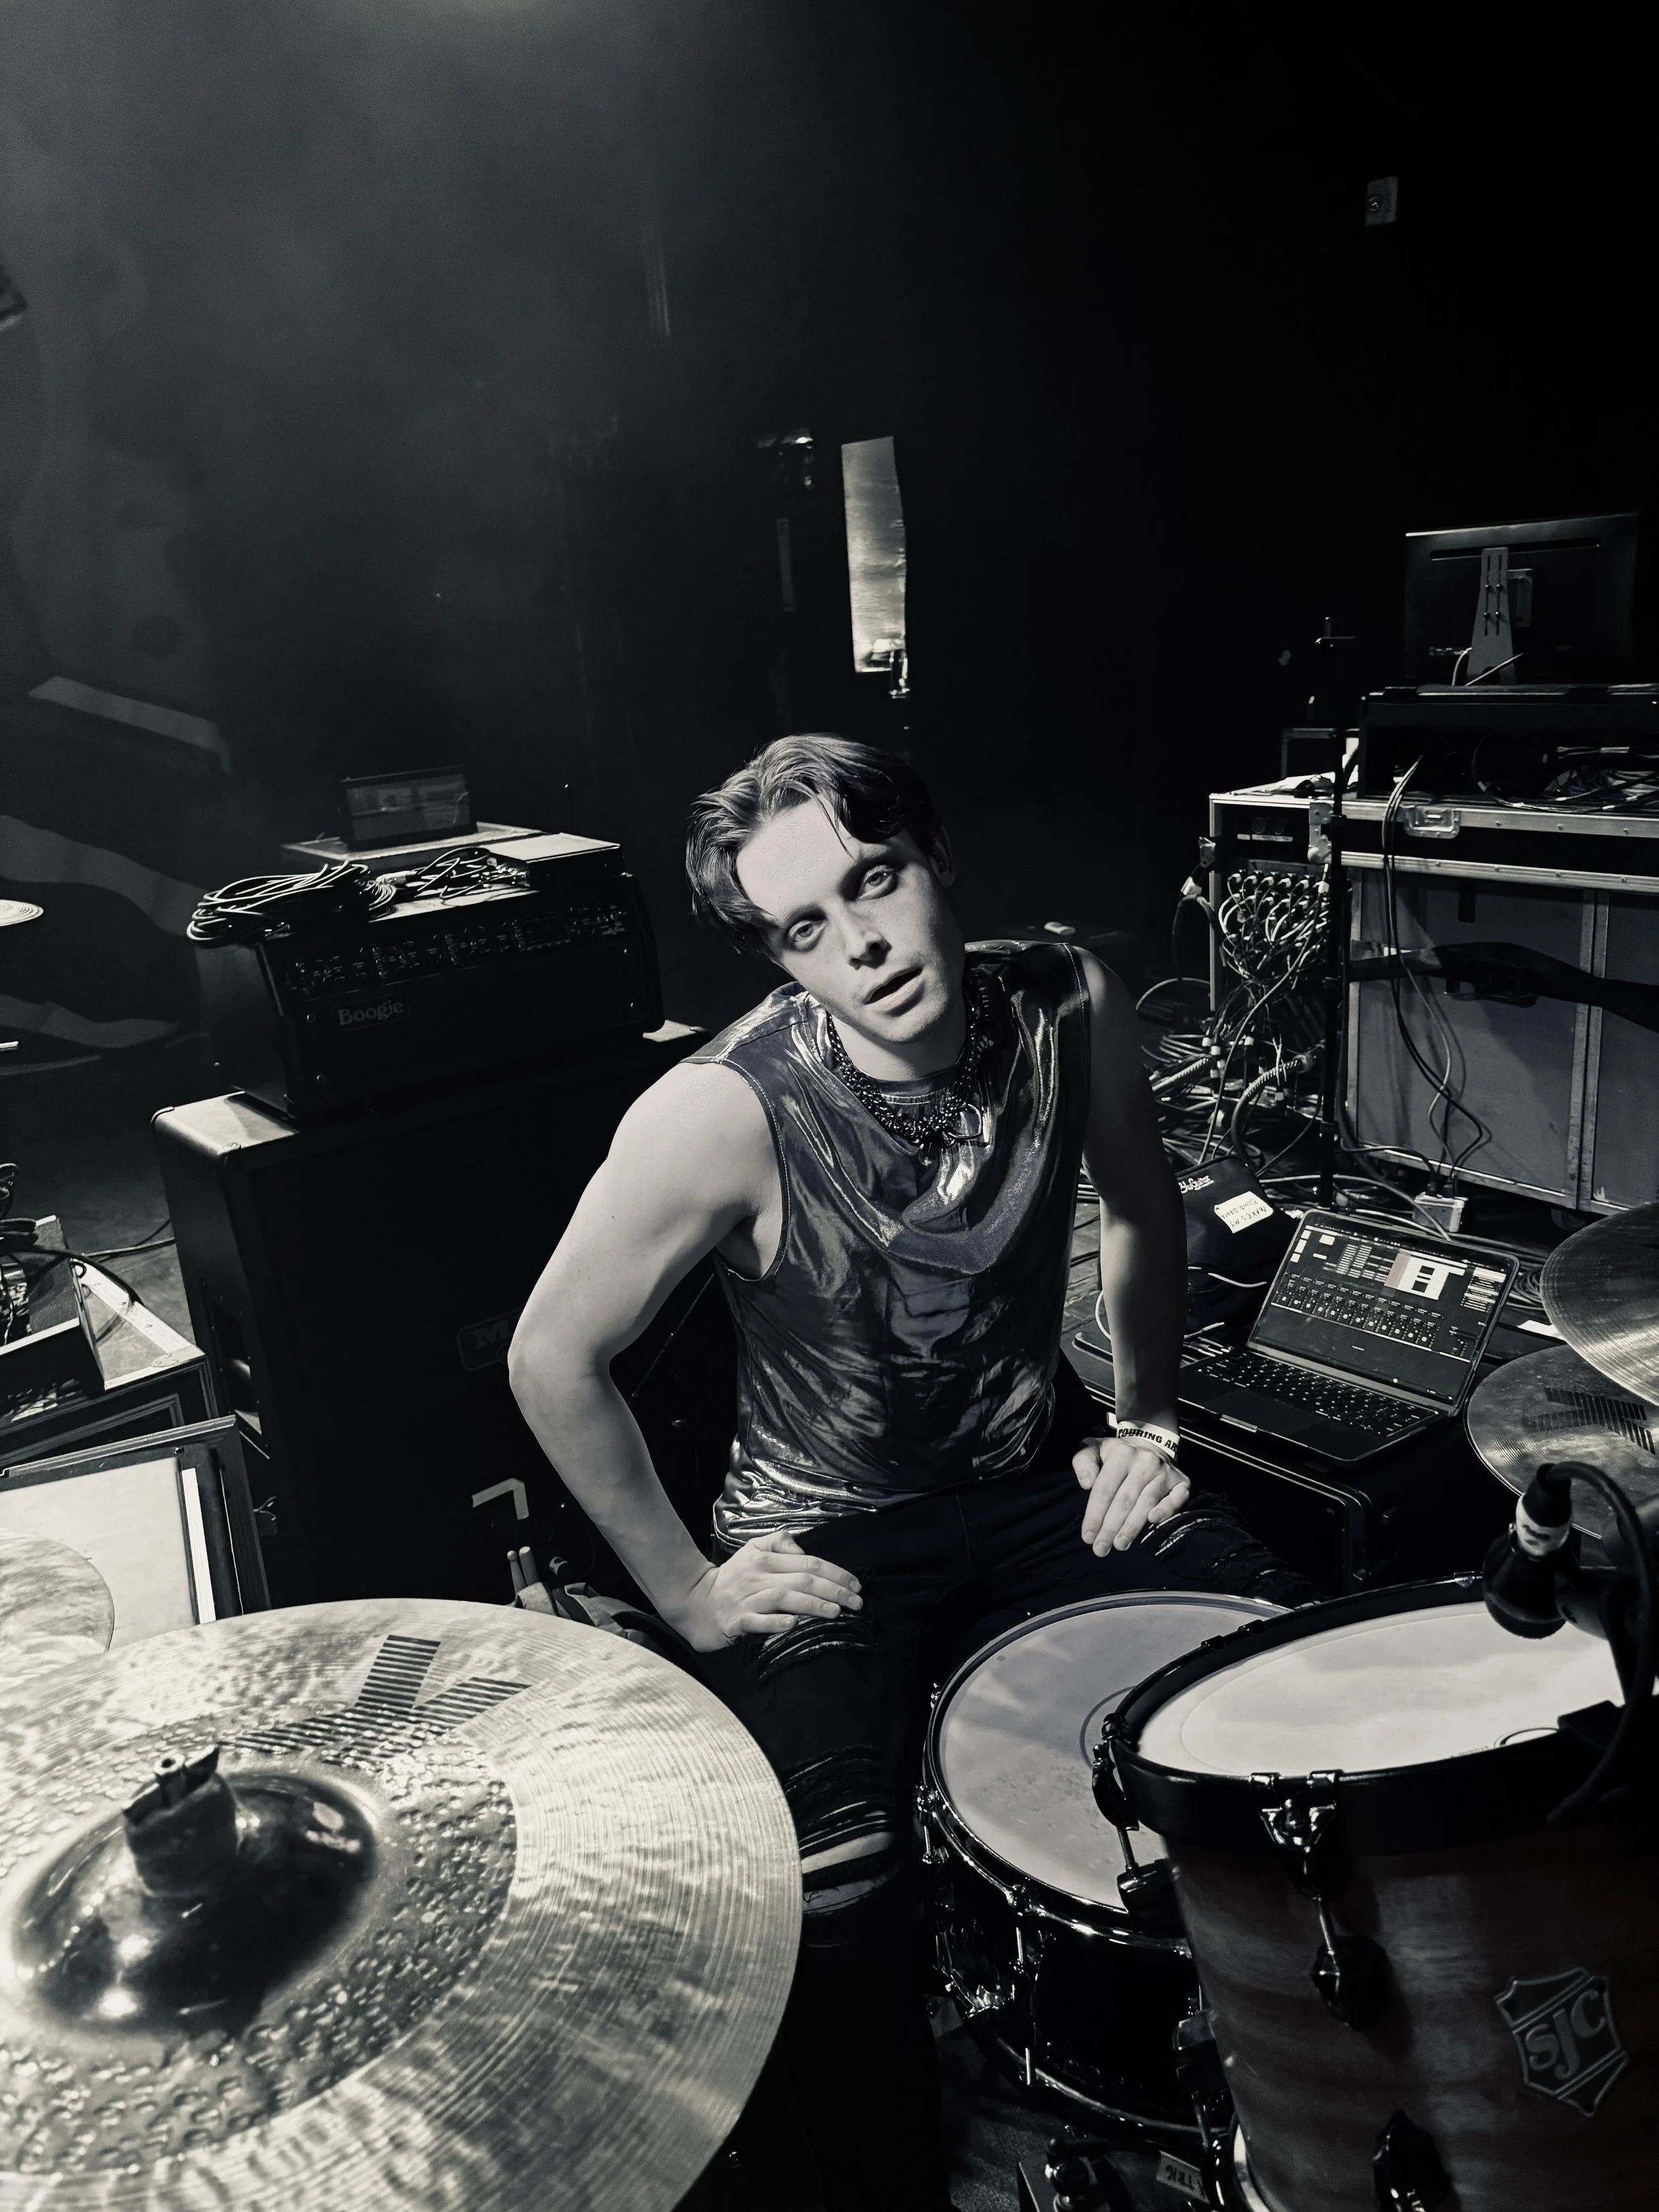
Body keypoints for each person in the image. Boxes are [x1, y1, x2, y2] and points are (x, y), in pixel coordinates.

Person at [510, 735, 1309, 2209]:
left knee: (1277, 1679)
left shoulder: (1068, 1002)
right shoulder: (718, 1110)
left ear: (934, 859)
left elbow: (1141, 1203)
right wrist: (688, 1594)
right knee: (832, 1891)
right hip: (826, 1525)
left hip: (1027, 1470)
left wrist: (1146, 1424)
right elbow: (549, 1358)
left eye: (872, 882)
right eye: (804, 927)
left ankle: (1246, 2104)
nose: (861, 944)